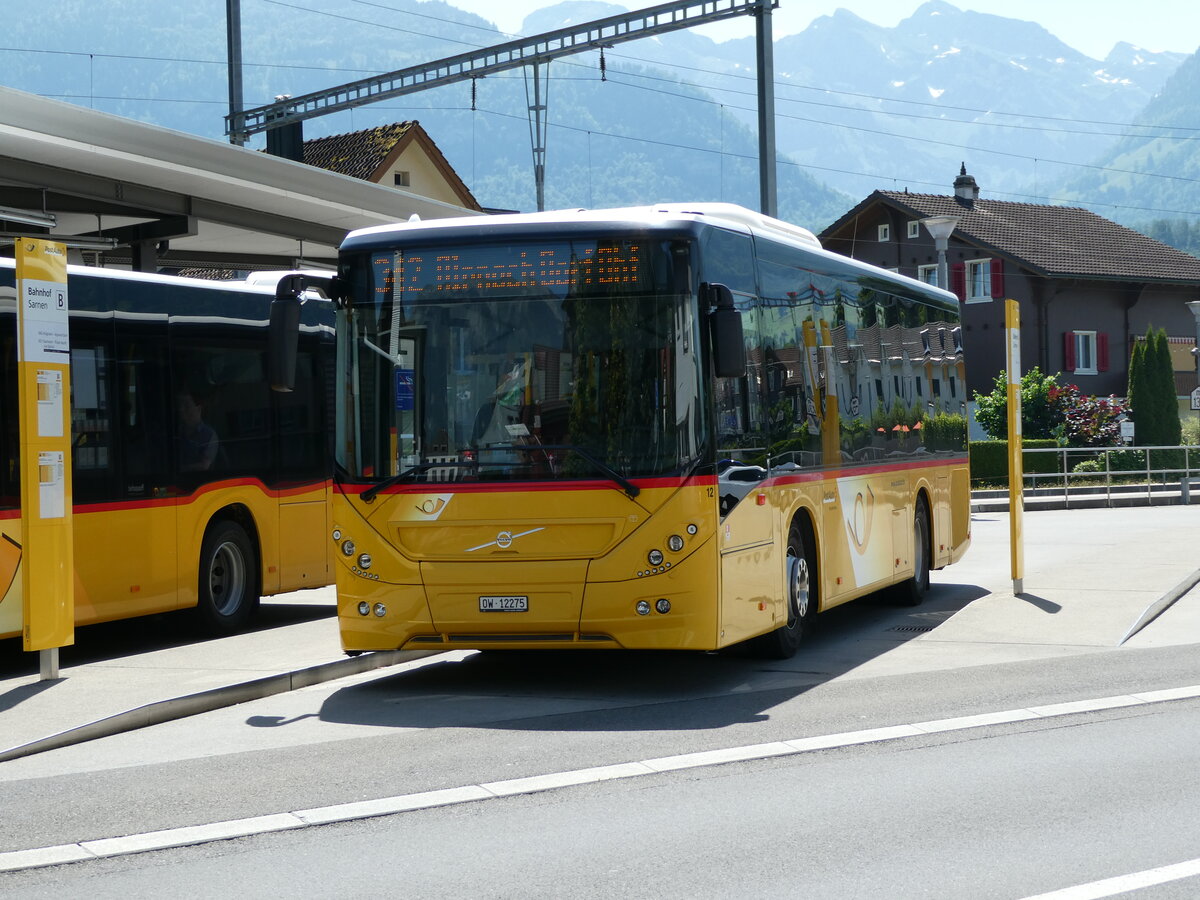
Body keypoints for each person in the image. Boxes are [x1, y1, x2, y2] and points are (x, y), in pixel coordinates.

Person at [177, 390, 219, 472]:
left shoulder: (209, 434)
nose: (181, 409)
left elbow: (204, 465)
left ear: (199, 409)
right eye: (179, 406)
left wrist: (180, 469)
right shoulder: (176, 431)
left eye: (187, 405)